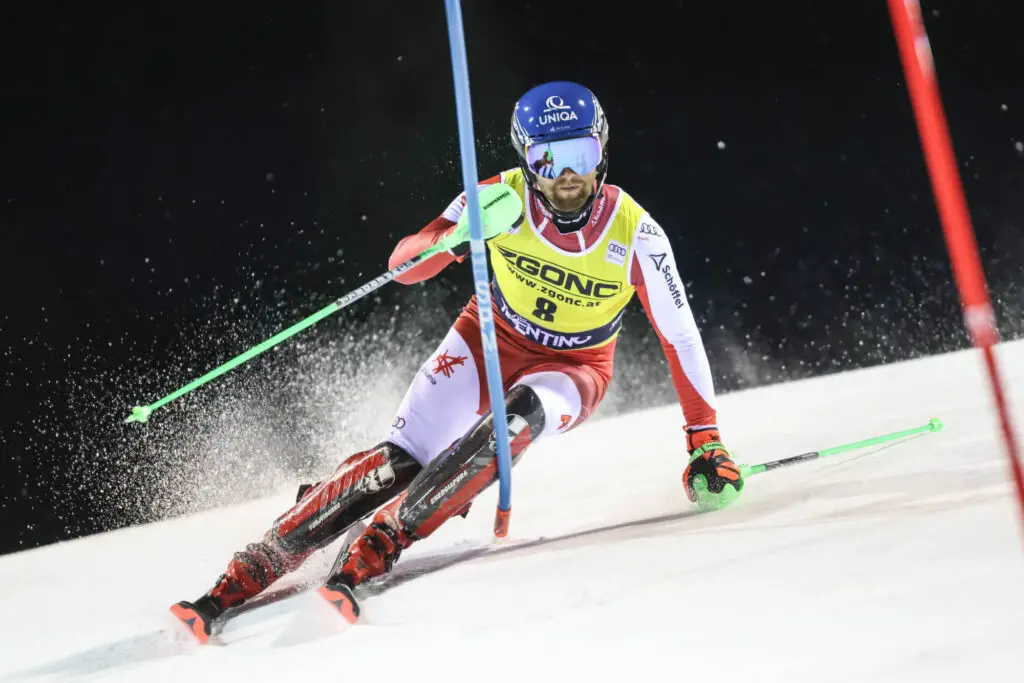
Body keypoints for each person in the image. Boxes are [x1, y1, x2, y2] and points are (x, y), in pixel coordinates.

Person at [171, 81, 743, 642]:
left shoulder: (637, 233)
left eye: (581, 154)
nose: (567, 175)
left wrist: (705, 441)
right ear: (526, 160)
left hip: (574, 368)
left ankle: (378, 545)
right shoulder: (498, 199)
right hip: (487, 337)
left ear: (603, 151)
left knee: (513, 422)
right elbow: (403, 265)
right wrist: (454, 239)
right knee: (398, 462)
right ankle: (249, 570)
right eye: (547, 159)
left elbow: (680, 337)